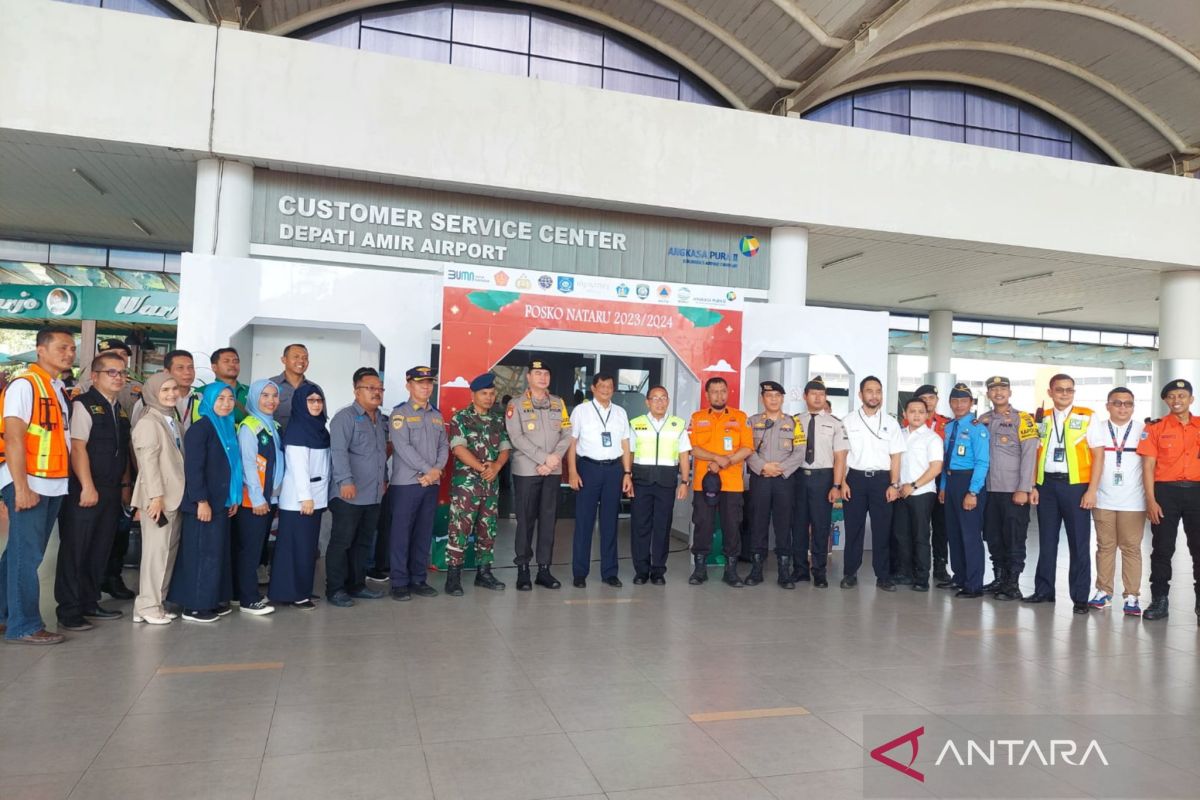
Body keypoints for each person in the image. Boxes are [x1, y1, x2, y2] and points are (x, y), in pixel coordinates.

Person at [0, 327, 76, 644]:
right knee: (26, 557)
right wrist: (21, 487)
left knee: (19, 554)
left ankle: (6, 615)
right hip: (29, 482)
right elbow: (15, 437)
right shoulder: (25, 385)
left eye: (72, 348)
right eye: (62, 347)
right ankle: (25, 625)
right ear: (40, 350)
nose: (69, 353)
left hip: (52, 482)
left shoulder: (55, 387)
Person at [54, 353, 132, 632]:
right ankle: (69, 609)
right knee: (76, 550)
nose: (118, 377)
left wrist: (125, 487)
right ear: (95, 376)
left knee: (100, 548)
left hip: (111, 490)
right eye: (111, 372)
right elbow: (78, 448)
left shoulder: (119, 408)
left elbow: (122, 452)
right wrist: (87, 486)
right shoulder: (83, 405)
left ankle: (89, 601)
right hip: (85, 490)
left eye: (122, 372)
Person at [171, 384, 242, 623]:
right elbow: (194, 469)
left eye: (230, 398)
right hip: (203, 503)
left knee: (216, 554)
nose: (226, 403)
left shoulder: (227, 428)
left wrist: (233, 498)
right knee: (201, 555)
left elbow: (231, 468)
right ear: (209, 402)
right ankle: (194, 606)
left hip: (221, 502)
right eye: (219, 398)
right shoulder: (201, 429)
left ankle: (211, 600)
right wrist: (201, 500)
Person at [1024, 373, 1094, 614]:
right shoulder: (1040, 418)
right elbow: (1035, 452)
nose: (1065, 394)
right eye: (1060, 389)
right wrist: (1033, 485)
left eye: (1069, 390)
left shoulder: (1087, 417)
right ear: (1050, 392)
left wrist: (1092, 490)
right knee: (1047, 541)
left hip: (1076, 487)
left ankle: (1080, 597)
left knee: (1079, 543)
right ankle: (1044, 591)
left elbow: (1098, 455)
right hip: (1047, 487)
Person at [505, 358, 571, 590]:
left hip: (551, 471)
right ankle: (523, 569)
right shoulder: (516, 404)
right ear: (529, 377)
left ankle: (544, 569)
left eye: (546, 374)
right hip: (526, 470)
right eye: (538, 374)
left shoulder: (558, 403)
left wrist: (553, 460)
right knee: (525, 521)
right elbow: (516, 437)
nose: (543, 377)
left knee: (548, 521)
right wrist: (544, 458)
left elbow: (567, 433)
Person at [1138, 379, 1200, 623]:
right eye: (1172, 396)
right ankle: (1159, 599)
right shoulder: (1156, 428)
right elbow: (1148, 466)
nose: (1177, 400)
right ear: (1165, 400)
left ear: (1191, 399)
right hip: (1165, 493)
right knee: (1162, 549)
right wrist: (1151, 501)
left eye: (1182, 396)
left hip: (1197, 493)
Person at [326, 368, 389, 607]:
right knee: (342, 542)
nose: (376, 392)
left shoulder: (380, 419)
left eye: (379, 389)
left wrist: (383, 480)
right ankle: (335, 589)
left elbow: (381, 454)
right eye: (370, 388)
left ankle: (357, 584)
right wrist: (345, 480)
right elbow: (338, 451)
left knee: (363, 543)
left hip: (373, 494)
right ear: (356, 391)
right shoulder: (345, 417)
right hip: (348, 494)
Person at [445, 372, 512, 595]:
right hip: (467, 485)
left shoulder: (497, 419)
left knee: (488, 530)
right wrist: (483, 467)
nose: (489, 398)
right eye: (484, 393)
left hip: (490, 486)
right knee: (459, 530)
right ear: (473, 395)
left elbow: (504, 448)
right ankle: (453, 577)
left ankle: (484, 574)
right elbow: (458, 448)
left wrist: (497, 467)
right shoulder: (461, 418)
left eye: (492, 394)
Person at [1082, 387, 1145, 615]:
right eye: (1117, 403)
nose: (1122, 408)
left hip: (1134, 501)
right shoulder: (1096, 429)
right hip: (1103, 499)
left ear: (1133, 407)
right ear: (1107, 405)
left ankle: (1131, 596)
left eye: (1128, 404)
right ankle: (1103, 592)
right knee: (1105, 547)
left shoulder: (1143, 430)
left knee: (1131, 548)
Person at [975, 376, 1038, 601]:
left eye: (1003, 389)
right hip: (988, 490)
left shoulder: (1024, 419)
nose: (998, 392)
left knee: (1014, 537)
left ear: (1010, 392)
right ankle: (999, 578)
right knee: (992, 536)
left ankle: (1013, 584)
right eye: (993, 389)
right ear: (988, 394)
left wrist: (1025, 488)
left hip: (1013, 490)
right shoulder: (982, 419)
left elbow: (1030, 454)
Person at [129, 372, 185, 624]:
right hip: (158, 499)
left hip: (173, 497)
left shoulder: (171, 419)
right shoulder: (149, 422)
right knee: (156, 554)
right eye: (165, 390)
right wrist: (156, 497)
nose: (171, 393)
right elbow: (148, 464)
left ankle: (152, 605)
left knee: (166, 553)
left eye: (173, 388)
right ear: (152, 393)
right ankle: (148, 605)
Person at [840, 375, 906, 591]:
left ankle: (883, 576)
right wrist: (842, 482)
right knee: (854, 529)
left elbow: (896, 456)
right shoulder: (848, 421)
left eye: (878, 391)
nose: (874, 395)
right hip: (855, 479)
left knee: (882, 530)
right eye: (869, 391)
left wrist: (894, 484)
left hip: (882, 481)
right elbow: (841, 455)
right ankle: (850, 573)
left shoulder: (890, 422)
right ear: (861, 395)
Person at [388, 366, 448, 601]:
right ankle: (399, 582)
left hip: (430, 483)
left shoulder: (436, 415)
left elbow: (444, 445)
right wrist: (429, 471)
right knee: (401, 535)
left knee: (423, 532)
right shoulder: (399, 414)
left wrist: (437, 471)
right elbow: (403, 448)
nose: (426, 387)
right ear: (408, 385)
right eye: (420, 382)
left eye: (429, 383)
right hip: (406, 484)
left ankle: (418, 578)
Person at [568, 373, 633, 588]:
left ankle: (609, 572)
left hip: (614, 470)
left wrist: (627, 473)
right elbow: (572, 443)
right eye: (602, 386)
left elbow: (625, 444)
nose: (606, 389)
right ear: (593, 389)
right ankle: (579, 573)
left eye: (610, 386)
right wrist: (572, 471)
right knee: (584, 522)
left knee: (609, 523)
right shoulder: (581, 411)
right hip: (588, 468)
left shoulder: (621, 412)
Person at [270, 382, 331, 609]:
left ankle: (302, 590)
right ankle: (293, 593)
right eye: (311, 400)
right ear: (300, 403)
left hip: (314, 499)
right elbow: (298, 468)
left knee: (307, 548)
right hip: (300, 502)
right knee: (295, 548)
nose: (316, 405)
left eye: (319, 400)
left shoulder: (319, 428)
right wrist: (305, 497)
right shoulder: (297, 430)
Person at [687, 377, 753, 587]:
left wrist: (727, 461)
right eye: (714, 392)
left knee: (731, 526)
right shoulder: (697, 418)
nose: (718, 395)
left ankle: (731, 571)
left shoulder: (740, 417)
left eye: (722, 391)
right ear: (706, 395)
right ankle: (700, 569)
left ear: (728, 393)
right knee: (703, 525)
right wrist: (716, 458)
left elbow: (747, 447)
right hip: (703, 483)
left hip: (732, 483)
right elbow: (693, 448)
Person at [628, 385, 690, 585]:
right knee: (640, 525)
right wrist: (627, 475)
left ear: (668, 401)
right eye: (655, 398)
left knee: (662, 527)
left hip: (666, 480)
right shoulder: (636, 423)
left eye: (663, 398)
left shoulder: (677, 424)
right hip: (641, 479)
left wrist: (685, 481)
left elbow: (684, 454)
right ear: (647, 402)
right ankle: (641, 570)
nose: (660, 402)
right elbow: (628, 452)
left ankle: (658, 571)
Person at [231, 379, 283, 616]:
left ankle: (242, 593)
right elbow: (249, 466)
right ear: (254, 398)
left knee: (256, 548)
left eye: (274, 395)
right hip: (254, 501)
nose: (270, 400)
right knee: (249, 550)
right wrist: (258, 497)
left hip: (268, 499)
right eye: (265, 395)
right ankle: (248, 599)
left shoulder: (274, 426)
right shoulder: (249, 426)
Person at [791, 376, 848, 588]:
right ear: (805, 396)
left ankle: (820, 571)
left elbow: (840, 457)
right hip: (798, 477)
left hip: (823, 478)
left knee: (821, 526)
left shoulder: (835, 423)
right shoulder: (795, 421)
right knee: (798, 526)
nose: (818, 397)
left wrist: (836, 485)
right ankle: (800, 570)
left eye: (822, 394)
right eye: (813, 394)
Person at [746, 380, 804, 588]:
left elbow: (799, 452)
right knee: (758, 523)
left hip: (784, 480)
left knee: (783, 524)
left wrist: (780, 469)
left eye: (777, 396)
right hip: (760, 478)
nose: (773, 399)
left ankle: (783, 570)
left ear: (782, 398)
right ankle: (756, 569)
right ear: (763, 398)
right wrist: (763, 467)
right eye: (769, 396)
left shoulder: (794, 423)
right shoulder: (751, 422)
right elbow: (746, 449)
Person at [937, 383, 990, 599]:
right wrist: (942, 487)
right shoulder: (949, 427)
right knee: (954, 533)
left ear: (971, 403)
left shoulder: (978, 429)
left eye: (963, 401)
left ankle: (974, 584)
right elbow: (945, 460)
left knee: (970, 535)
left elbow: (982, 462)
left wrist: (973, 492)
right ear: (950, 403)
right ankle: (959, 576)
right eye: (955, 401)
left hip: (969, 482)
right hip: (951, 482)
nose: (959, 405)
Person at [892, 398, 943, 591]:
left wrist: (913, 486)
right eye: (912, 411)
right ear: (905, 414)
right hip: (900, 493)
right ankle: (904, 573)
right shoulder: (899, 435)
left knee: (920, 536)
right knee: (901, 534)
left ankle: (922, 577)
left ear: (927, 415)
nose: (916, 415)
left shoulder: (932, 438)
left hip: (921, 492)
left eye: (921, 412)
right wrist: (897, 486)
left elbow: (936, 467)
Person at [913, 384, 952, 583]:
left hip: (939, 479)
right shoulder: (907, 423)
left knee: (940, 525)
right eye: (923, 397)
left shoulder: (948, 424)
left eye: (931, 397)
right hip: (913, 481)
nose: (928, 401)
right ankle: (913, 565)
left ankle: (940, 565)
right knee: (916, 525)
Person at [132, 349, 197, 431]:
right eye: (180, 368)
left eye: (191, 367)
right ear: (166, 372)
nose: (187, 372)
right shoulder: (148, 402)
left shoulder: (202, 399)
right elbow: (136, 432)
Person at [271, 343, 318, 434]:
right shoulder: (270, 385)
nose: (301, 361)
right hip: (275, 443)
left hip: (305, 444)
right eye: (296, 357)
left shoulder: (314, 389)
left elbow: (320, 420)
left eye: (305, 358)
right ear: (284, 360)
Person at [205, 347, 250, 423]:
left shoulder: (251, 391)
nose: (232, 364)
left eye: (235, 361)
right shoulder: (203, 392)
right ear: (214, 367)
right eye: (226, 361)